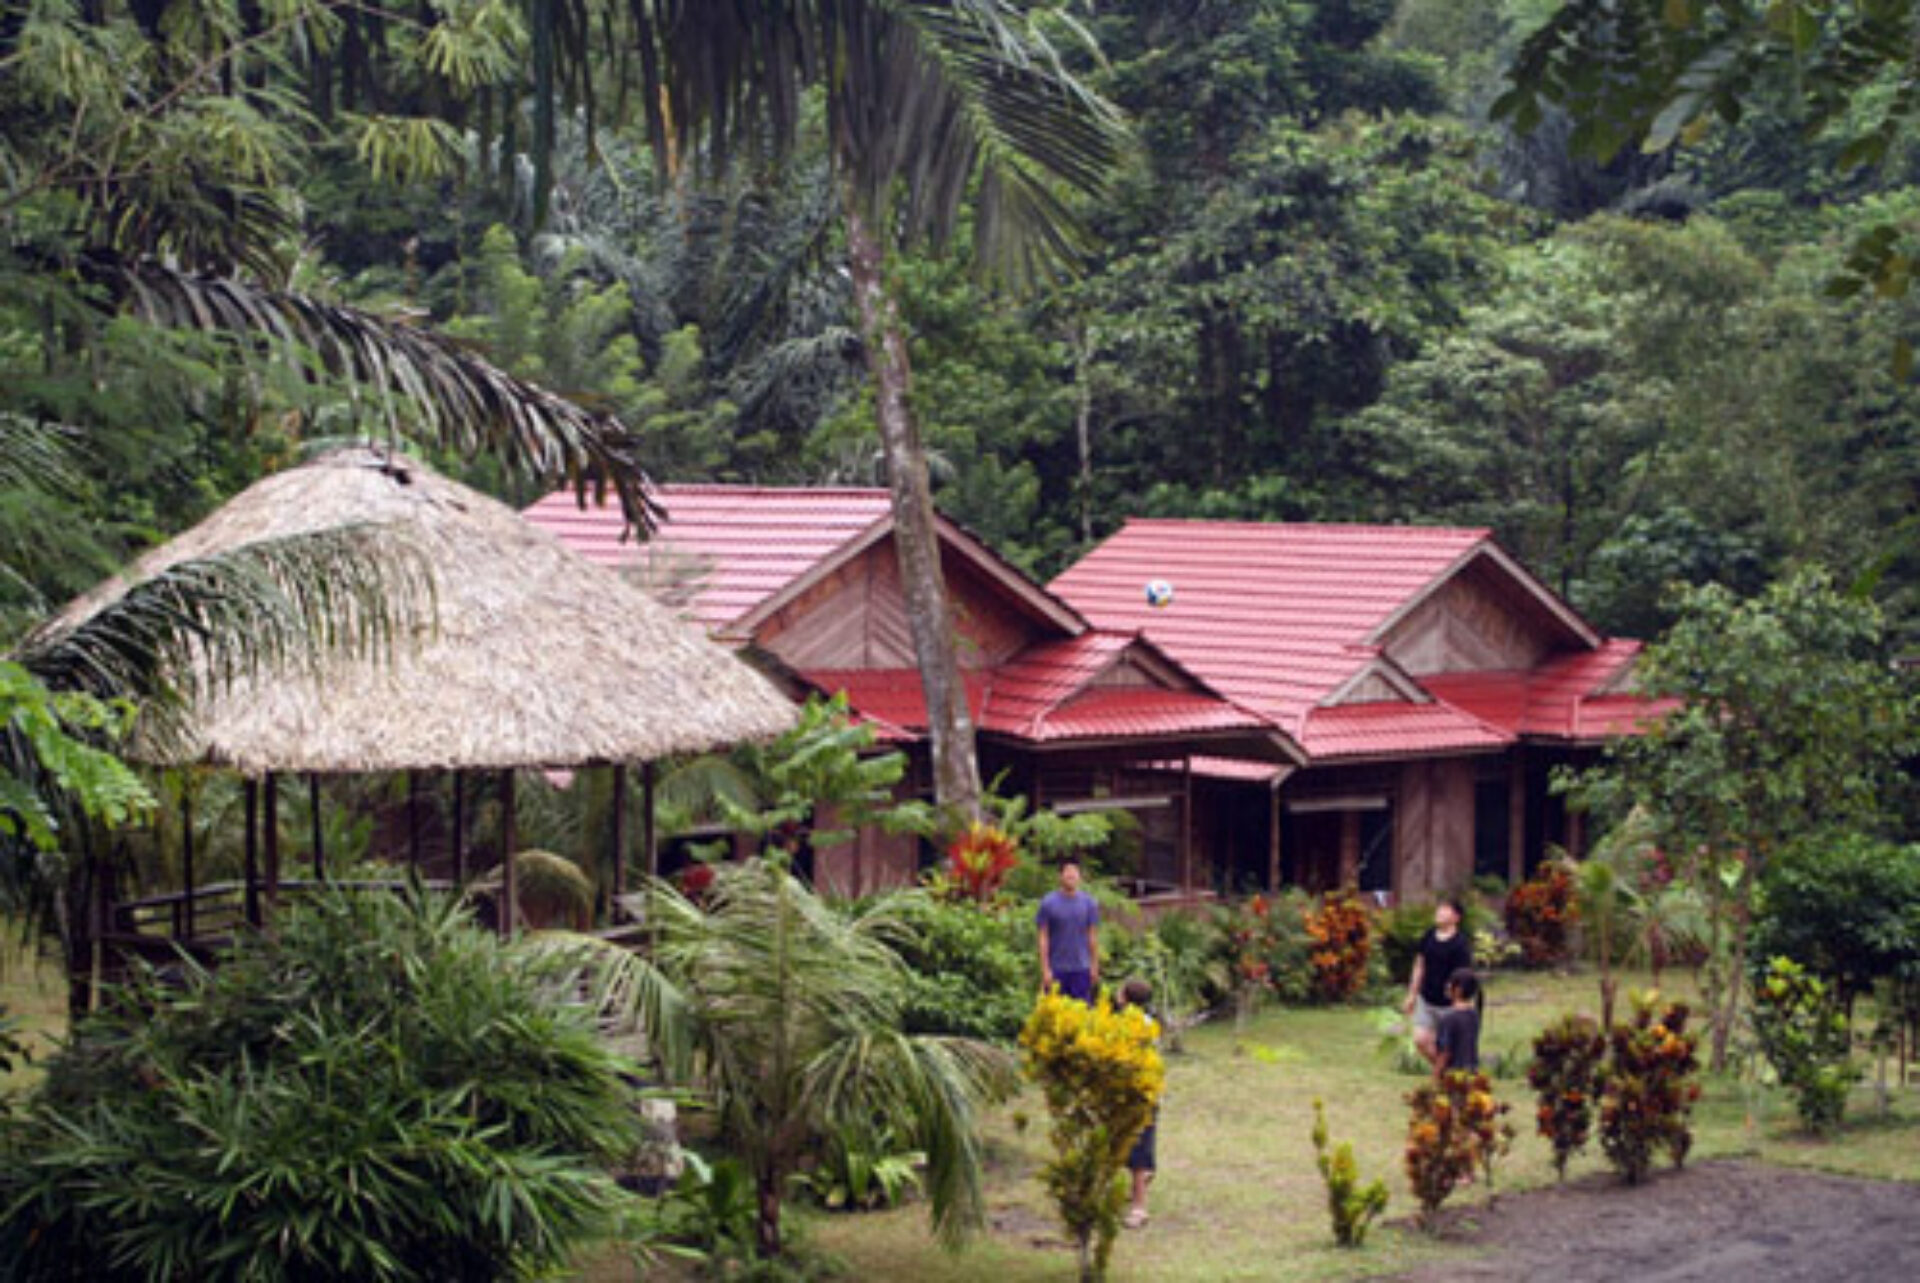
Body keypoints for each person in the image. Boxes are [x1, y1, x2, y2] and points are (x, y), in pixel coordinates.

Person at [1403, 896, 1473, 1068]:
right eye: (1439, 908)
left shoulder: (1460, 944)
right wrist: (1412, 995)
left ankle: (1447, 1073)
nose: (1439, 912)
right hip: (1426, 998)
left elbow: (1463, 976)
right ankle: (1446, 1072)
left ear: (1456, 917)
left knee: (1446, 1046)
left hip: (1448, 1004)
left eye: (1445, 909)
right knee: (1420, 1040)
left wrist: (1459, 1001)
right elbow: (1419, 965)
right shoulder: (1429, 935)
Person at [1116, 976, 1159, 1229]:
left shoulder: (1128, 1025)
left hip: (1138, 1092)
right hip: (1146, 1092)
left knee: (1138, 1153)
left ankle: (1139, 1208)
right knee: (1135, 1148)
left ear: (1125, 998)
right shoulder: (1149, 1022)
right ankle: (1140, 1183)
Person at [1036, 858, 1100, 1002]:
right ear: (1060, 876)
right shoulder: (1048, 903)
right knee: (1053, 1008)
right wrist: (1045, 969)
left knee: (1082, 1009)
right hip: (1056, 968)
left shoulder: (1089, 903)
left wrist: (1094, 965)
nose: (1071, 875)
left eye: (1075, 872)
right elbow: (1043, 937)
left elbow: (1092, 936)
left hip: (1081, 968)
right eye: (1068, 871)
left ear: (1080, 876)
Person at [1433, 968, 1483, 1077]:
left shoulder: (1448, 1018)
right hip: (1472, 1074)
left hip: (1453, 1076)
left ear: (1458, 990)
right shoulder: (1474, 1015)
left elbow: (1445, 1052)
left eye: (1450, 983)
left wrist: (1435, 1075)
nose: (1447, 986)